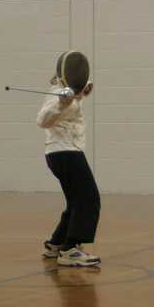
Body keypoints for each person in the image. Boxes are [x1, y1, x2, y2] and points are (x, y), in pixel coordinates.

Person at [38, 51, 101, 267]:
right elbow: (42, 120)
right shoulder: (57, 94)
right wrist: (60, 103)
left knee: (76, 201)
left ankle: (56, 243)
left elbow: (70, 106)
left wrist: (80, 93)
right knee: (89, 198)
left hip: (61, 153)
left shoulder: (67, 93)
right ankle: (70, 249)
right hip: (66, 153)